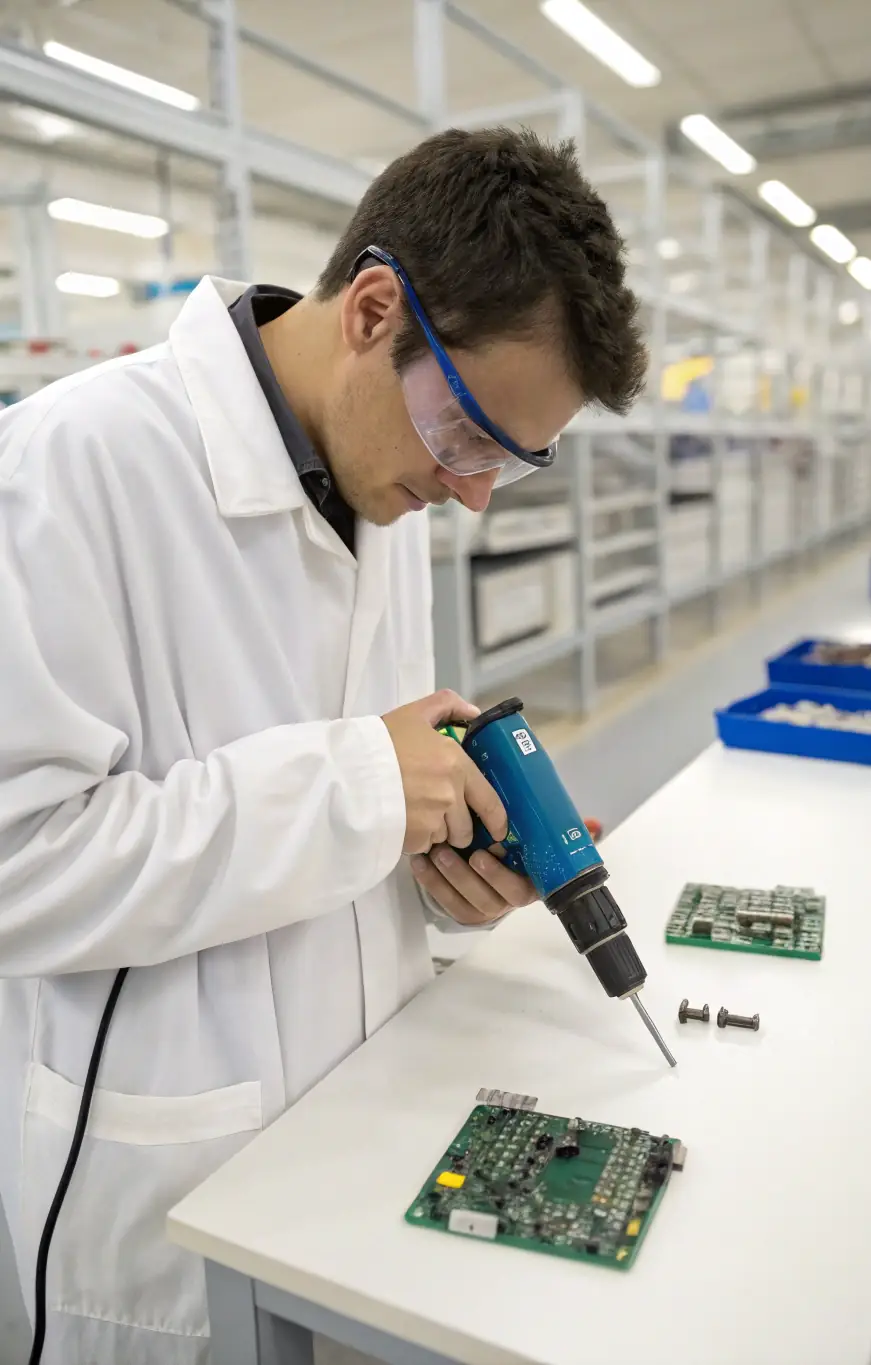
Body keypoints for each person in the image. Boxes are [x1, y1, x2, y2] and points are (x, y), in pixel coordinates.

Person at [0, 126, 646, 1363]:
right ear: (372, 310)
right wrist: (361, 792)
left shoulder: (380, 476)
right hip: (170, 1185)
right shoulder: (71, 467)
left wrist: (438, 870)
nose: (468, 496)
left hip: (364, 1142)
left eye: (509, 465)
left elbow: (348, 806)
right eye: (467, 441)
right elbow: (17, 865)